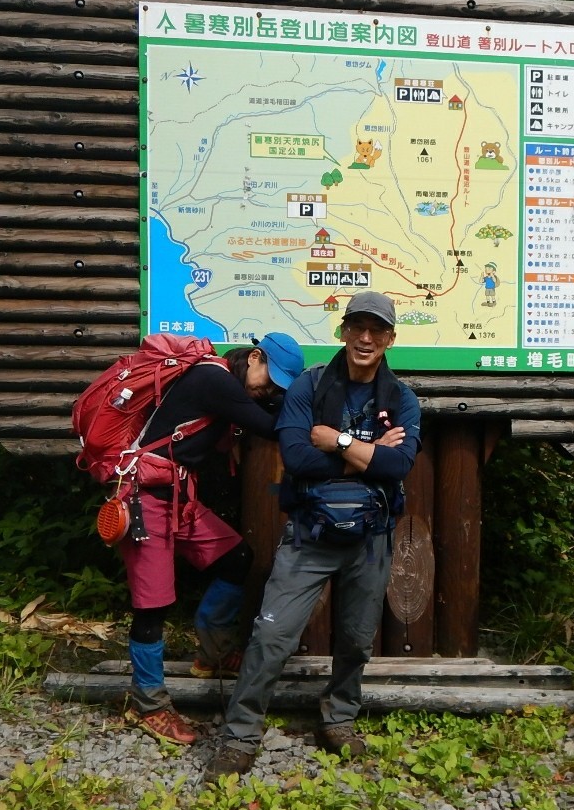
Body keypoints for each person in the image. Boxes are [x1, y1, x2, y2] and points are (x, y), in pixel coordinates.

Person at [205, 291, 420, 779]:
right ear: (342, 331)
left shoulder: (402, 399)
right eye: (357, 327)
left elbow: (399, 464)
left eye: (377, 330)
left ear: (390, 338)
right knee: (272, 635)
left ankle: (339, 719)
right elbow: (298, 458)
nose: (366, 338)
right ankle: (240, 735)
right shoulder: (309, 385)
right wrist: (368, 453)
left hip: (372, 538)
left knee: (356, 641)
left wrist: (339, 440)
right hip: (310, 536)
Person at [118, 332, 304, 745]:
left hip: (179, 497)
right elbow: (274, 428)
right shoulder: (215, 379)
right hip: (144, 499)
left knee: (236, 557)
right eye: (269, 380)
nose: (269, 391)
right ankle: (148, 703)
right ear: (254, 357)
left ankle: (213, 654)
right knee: (152, 604)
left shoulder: (229, 387)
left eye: (278, 387)